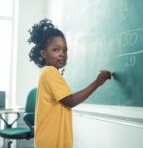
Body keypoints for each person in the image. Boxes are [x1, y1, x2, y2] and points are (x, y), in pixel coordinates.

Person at [28, 19, 111, 148]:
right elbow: (70, 101)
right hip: (51, 142)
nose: (62, 54)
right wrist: (97, 82)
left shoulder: (48, 72)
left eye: (65, 50)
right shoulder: (50, 72)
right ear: (43, 53)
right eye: (56, 50)